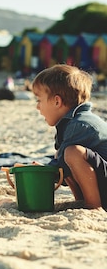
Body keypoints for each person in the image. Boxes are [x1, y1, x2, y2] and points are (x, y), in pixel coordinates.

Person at [32, 64, 107, 210]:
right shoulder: (70, 123)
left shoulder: (79, 124)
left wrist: (44, 172)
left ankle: (93, 205)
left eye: (39, 100)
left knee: (72, 153)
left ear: (57, 101)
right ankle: (82, 201)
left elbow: (62, 164)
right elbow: (62, 166)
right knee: (63, 154)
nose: (37, 107)